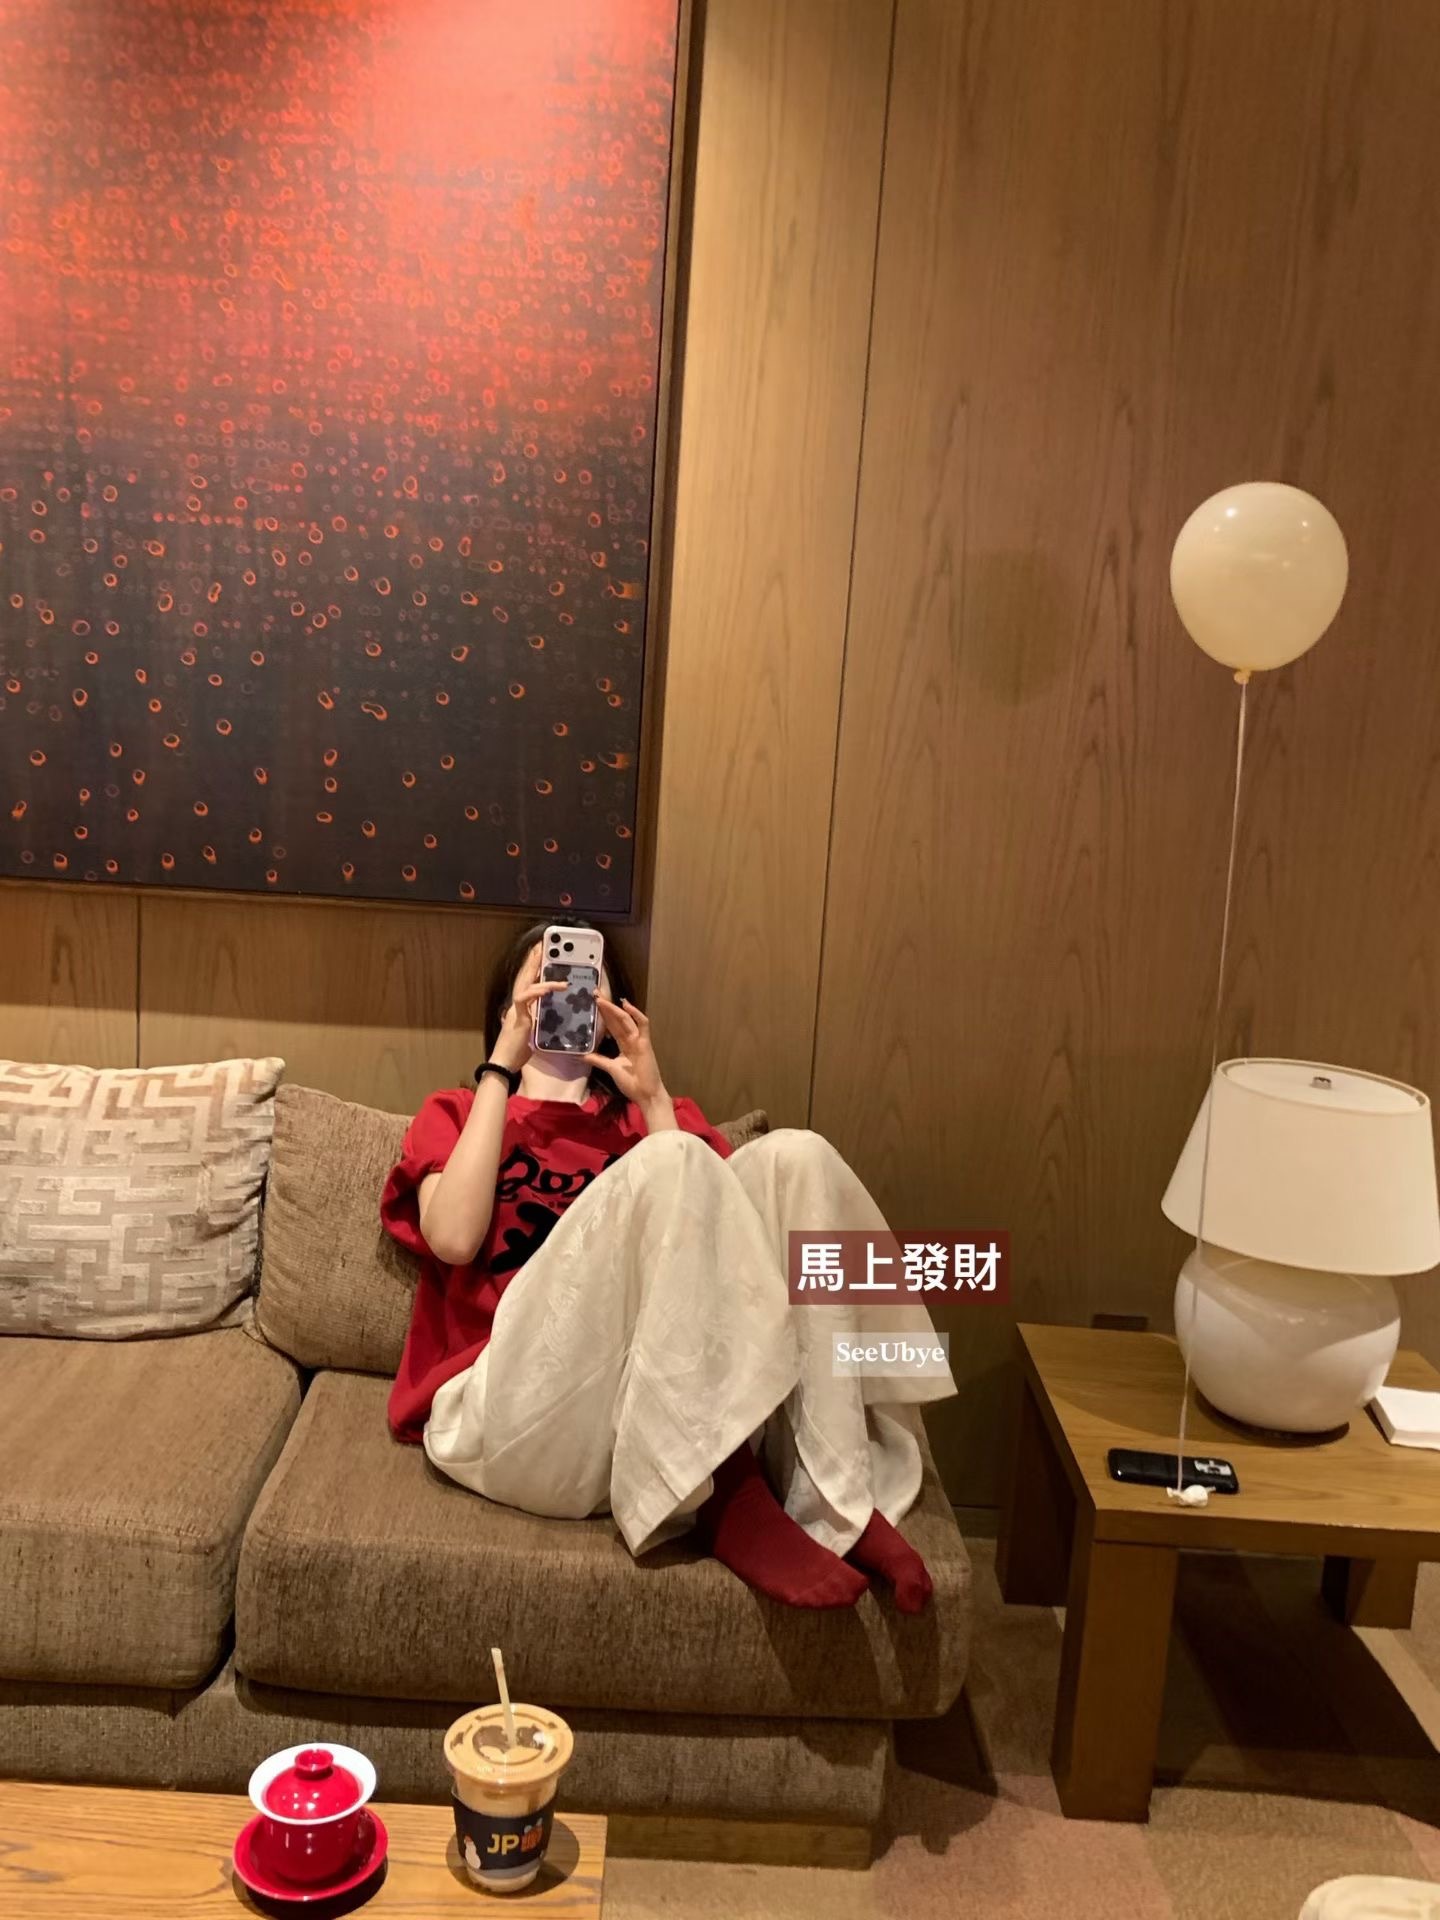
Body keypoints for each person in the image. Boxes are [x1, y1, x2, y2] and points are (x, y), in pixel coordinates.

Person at [381, 916, 956, 1611]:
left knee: (796, 1156)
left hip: (625, 1419)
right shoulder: (459, 1111)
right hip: (508, 1417)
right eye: (545, 980)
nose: (564, 996)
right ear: (509, 1004)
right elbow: (452, 1238)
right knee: (672, 1159)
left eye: (585, 983)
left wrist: (652, 1100)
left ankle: (838, 1500)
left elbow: (734, 1271)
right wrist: (500, 1070)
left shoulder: (653, 1121)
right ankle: (730, 1495)